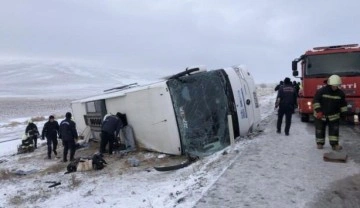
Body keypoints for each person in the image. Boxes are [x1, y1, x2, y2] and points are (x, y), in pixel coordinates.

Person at [313, 74, 348, 150]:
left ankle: (334, 145)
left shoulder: (340, 94)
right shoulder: (321, 91)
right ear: (329, 84)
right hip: (321, 115)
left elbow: (343, 105)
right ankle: (320, 143)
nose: (335, 87)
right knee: (320, 129)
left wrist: (344, 114)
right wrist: (318, 111)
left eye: (336, 85)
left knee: (334, 130)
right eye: (333, 85)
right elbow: (316, 101)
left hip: (334, 116)